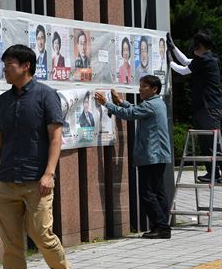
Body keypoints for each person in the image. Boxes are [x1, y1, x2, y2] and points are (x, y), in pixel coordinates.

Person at [0, 44, 73, 269]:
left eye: (9, 64)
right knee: (11, 245)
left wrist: (49, 173)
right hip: (5, 181)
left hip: (37, 182)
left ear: (26, 66)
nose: (4, 70)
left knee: (42, 234)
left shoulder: (46, 96)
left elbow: (56, 137)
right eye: (4, 64)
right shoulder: (2, 102)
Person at [95, 76, 172, 238]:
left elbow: (130, 114)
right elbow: (135, 110)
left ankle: (162, 227)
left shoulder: (151, 105)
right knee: (158, 192)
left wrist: (106, 104)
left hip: (152, 156)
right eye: (140, 86)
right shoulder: (158, 103)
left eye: (144, 86)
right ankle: (162, 226)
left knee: (147, 193)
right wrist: (121, 102)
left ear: (154, 89)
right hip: (158, 156)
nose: (140, 89)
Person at [168, 30, 222, 183]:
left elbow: (184, 69)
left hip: (208, 107)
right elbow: (186, 61)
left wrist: (169, 60)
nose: (194, 48)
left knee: (211, 141)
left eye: (196, 45)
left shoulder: (206, 60)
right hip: (207, 107)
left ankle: (216, 173)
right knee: (208, 141)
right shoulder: (207, 59)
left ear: (201, 46)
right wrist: (173, 48)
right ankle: (214, 173)